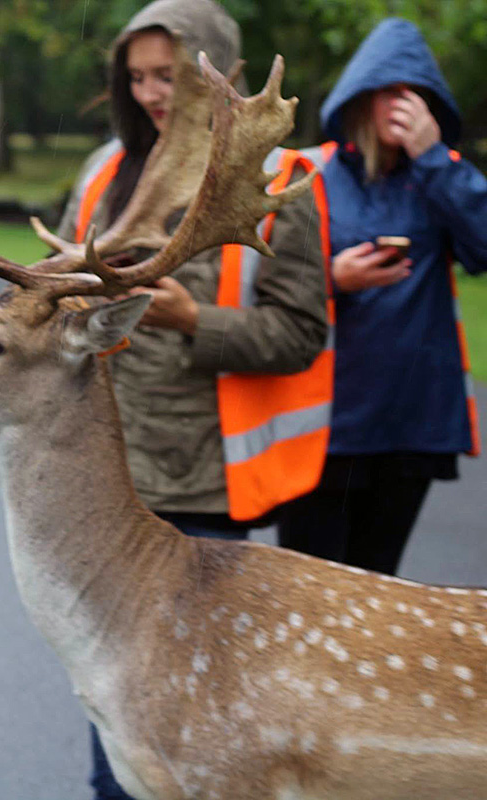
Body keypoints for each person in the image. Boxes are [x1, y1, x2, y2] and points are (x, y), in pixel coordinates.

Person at [54, 0, 331, 796]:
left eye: (168, 76)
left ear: (217, 73)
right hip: (105, 477)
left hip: (200, 488)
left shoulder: (283, 180)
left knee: (190, 719)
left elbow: (299, 334)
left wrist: (191, 320)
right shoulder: (104, 172)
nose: (150, 94)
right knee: (112, 694)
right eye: (137, 77)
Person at [276, 18, 486, 575]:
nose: (404, 105)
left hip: (412, 424)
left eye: (418, 95)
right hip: (327, 421)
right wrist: (330, 279)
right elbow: (263, 282)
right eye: (391, 91)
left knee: (376, 585)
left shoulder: (441, 173)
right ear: (360, 97)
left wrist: (433, 157)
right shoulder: (311, 172)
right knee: (308, 583)